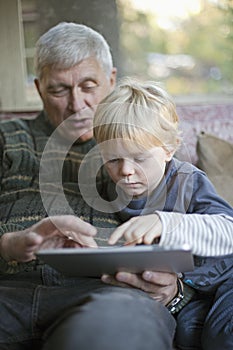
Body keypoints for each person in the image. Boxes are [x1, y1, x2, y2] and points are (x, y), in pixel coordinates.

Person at [0, 21, 232, 350]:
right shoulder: (7, 139)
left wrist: (178, 292)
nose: (77, 104)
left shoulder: (143, 150)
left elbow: (208, 238)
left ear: (111, 80)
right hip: (10, 291)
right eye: (58, 90)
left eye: (88, 85)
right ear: (38, 89)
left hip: (113, 297)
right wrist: (9, 244)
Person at [92, 77, 233, 349]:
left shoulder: (187, 180)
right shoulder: (106, 188)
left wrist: (165, 223)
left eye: (139, 158)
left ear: (168, 149)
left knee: (223, 335)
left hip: (228, 279)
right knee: (186, 335)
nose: (125, 171)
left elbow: (228, 229)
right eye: (113, 159)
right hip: (193, 292)